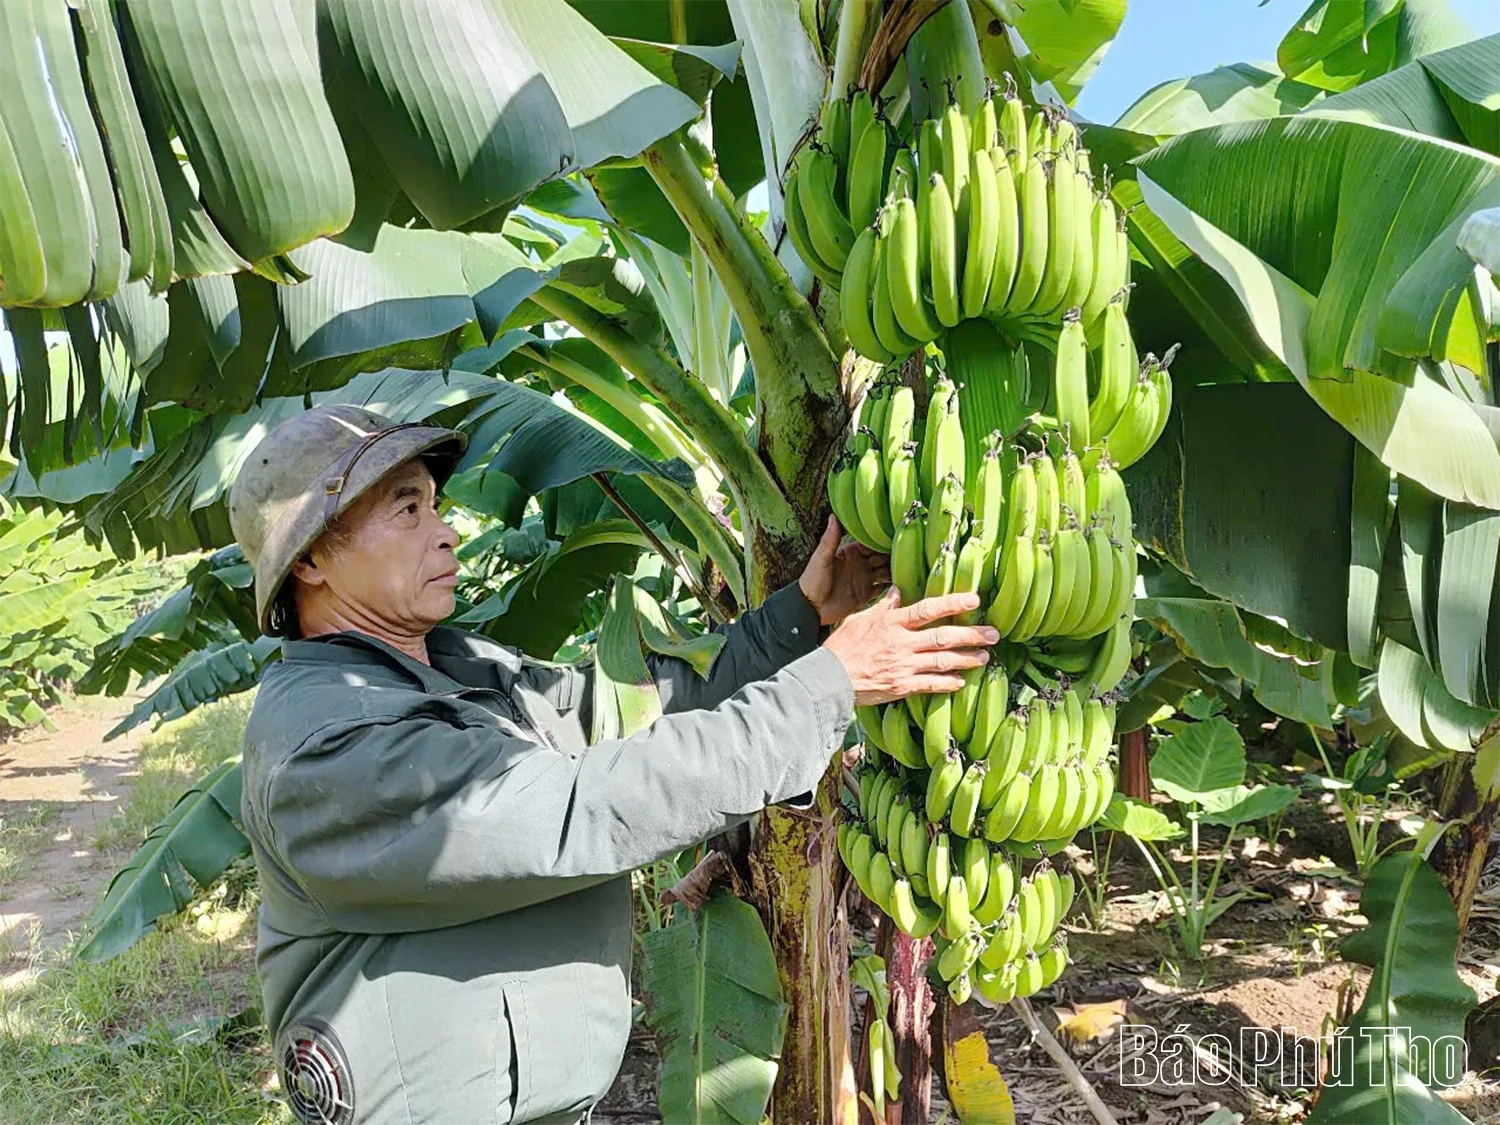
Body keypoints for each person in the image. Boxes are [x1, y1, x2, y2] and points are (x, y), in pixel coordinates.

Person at [227, 404, 997, 1125]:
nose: (446, 531)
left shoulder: (456, 665)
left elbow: (630, 710)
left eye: (435, 503)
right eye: (407, 508)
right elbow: (584, 806)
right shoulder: (325, 744)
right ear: (315, 558)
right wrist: (832, 682)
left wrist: (803, 616)